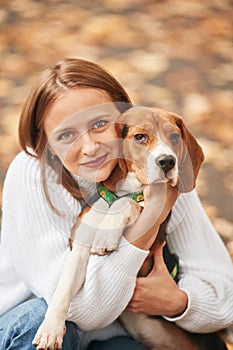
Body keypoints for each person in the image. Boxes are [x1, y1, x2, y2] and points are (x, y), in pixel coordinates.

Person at [0, 57, 232, 350]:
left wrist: (178, 302)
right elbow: (80, 312)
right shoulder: (32, 173)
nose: (90, 147)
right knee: (38, 319)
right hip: (26, 329)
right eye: (66, 135)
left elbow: (225, 299)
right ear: (45, 144)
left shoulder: (164, 165)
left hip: (113, 334)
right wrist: (149, 221)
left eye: (99, 123)